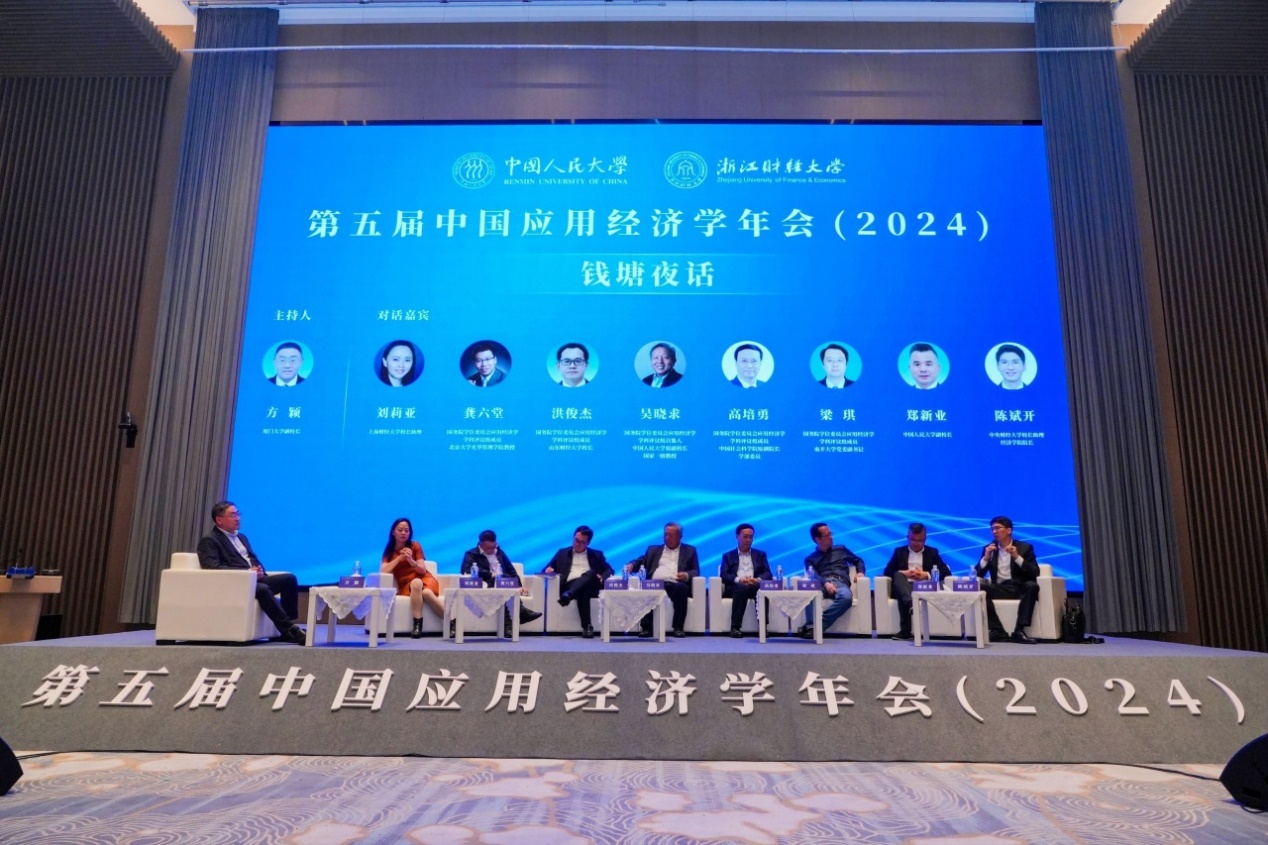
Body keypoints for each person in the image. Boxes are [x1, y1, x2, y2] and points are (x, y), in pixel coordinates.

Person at [196, 501, 305, 644]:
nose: (238, 518)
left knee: (289, 579)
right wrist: (247, 572)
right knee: (263, 589)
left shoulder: (242, 537)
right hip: (234, 584)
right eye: (233, 515)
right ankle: (288, 629)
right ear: (219, 520)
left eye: (238, 514)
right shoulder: (209, 540)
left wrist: (259, 570)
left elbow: (251, 558)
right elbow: (212, 568)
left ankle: (288, 625)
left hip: (253, 579)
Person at [460, 530, 544, 636]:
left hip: (504, 582)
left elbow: (511, 570)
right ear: (481, 544)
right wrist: (489, 574)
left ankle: (514, 620)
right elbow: (466, 570)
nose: (492, 550)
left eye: (494, 546)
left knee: (504, 585)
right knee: (501, 591)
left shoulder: (499, 552)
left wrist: (519, 585)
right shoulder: (471, 554)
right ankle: (517, 617)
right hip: (486, 584)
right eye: (489, 548)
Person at [625, 522, 700, 638]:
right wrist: (631, 565)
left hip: (675, 584)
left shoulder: (690, 550)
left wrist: (686, 575)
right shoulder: (653, 550)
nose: (667, 538)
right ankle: (646, 628)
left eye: (671, 535)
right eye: (665, 535)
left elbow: (695, 571)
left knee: (681, 589)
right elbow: (640, 561)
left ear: (680, 537)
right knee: (646, 588)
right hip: (655, 584)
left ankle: (678, 627)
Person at [974, 515, 1040, 643]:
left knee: (1032, 585)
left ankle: (1019, 631)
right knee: (977, 588)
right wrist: (986, 558)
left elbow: (1034, 572)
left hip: (1019, 587)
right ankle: (998, 630)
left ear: (1009, 530)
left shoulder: (1024, 548)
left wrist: (1016, 557)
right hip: (1000, 588)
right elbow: (977, 574)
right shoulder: (989, 549)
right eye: (992, 529)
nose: (994, 532)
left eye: (998, 528)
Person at [882, 522, 952, 640]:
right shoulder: (899, 552)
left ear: (925, 539)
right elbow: (887, 572)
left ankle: (906, 629)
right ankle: (911, 604)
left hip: (924, 587)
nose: (916, 543)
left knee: (904, 592)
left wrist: (926, 575)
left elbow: (946, 571)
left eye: (920, 540)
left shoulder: (932, 552)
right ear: (907, 538)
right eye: (913, 540)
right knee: (898, 576)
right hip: (905, 587)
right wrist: (904, 573)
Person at [543, 525, 611, 638]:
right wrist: (548, 570)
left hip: (592, 586)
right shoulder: (562, 553)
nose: (577, 544)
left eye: (582, 542)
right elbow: (546, 569)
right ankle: (587, 627)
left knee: (590, 573)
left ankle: (568, 596)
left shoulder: (597, 555)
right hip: (570, 585)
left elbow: (609, 570)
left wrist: (603, 577)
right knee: (583, 589)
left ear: (588, 543)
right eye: (576, 540)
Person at [799, 522, 865, 638]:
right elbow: (814, 575)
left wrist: (860, 572)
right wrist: (826, 584)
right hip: (822, 583)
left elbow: (858, 560)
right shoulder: (810, 559)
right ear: (817, 539)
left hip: (840, 582)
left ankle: (814, 627)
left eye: (831, 534)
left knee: (846, 598)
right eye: (827, 535)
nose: (831, 537)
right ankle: (812, 628)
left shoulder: (841, 549)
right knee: (810, 594)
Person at [381, 517, 443, 638]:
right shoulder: (389, 551)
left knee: (418, 583)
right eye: (400, 530)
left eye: (406, 530)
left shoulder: (415, 546)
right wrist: (399, 558)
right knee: (424, 592)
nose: (403, 533)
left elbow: (422, 570)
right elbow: (383, 570)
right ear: (393, 532)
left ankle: (417, 626)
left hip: (425, 579)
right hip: (405, 584)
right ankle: (453, 622)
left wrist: (410, 560)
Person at [719, 523, 772, 637]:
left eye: (751, 537)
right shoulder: (728, 556)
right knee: (742, 588)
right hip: (736, 586)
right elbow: (723, 574)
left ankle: (763, 627)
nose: (748, 540)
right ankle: (735, 627)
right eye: (745, 536)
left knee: (761, 589)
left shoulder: (760, 555)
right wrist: (739, 580)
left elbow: (768, 573)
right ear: (737, 537)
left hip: (754, 584)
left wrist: (757, 579)